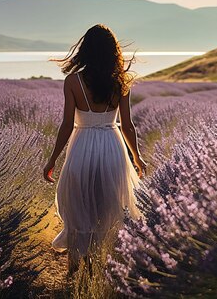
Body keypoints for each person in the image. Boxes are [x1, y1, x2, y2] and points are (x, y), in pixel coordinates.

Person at [43, 24, 147, 273]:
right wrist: (137, 157)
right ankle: (100, 267)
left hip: (82, 147)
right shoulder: (121, 82)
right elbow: (128, 126)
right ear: (113, 52)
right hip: (112, 148)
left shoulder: (72, 82)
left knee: (79, 207)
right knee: (108, 208)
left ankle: (75, 268)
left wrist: (52, 159)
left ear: (85, 50)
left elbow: (67, 125)